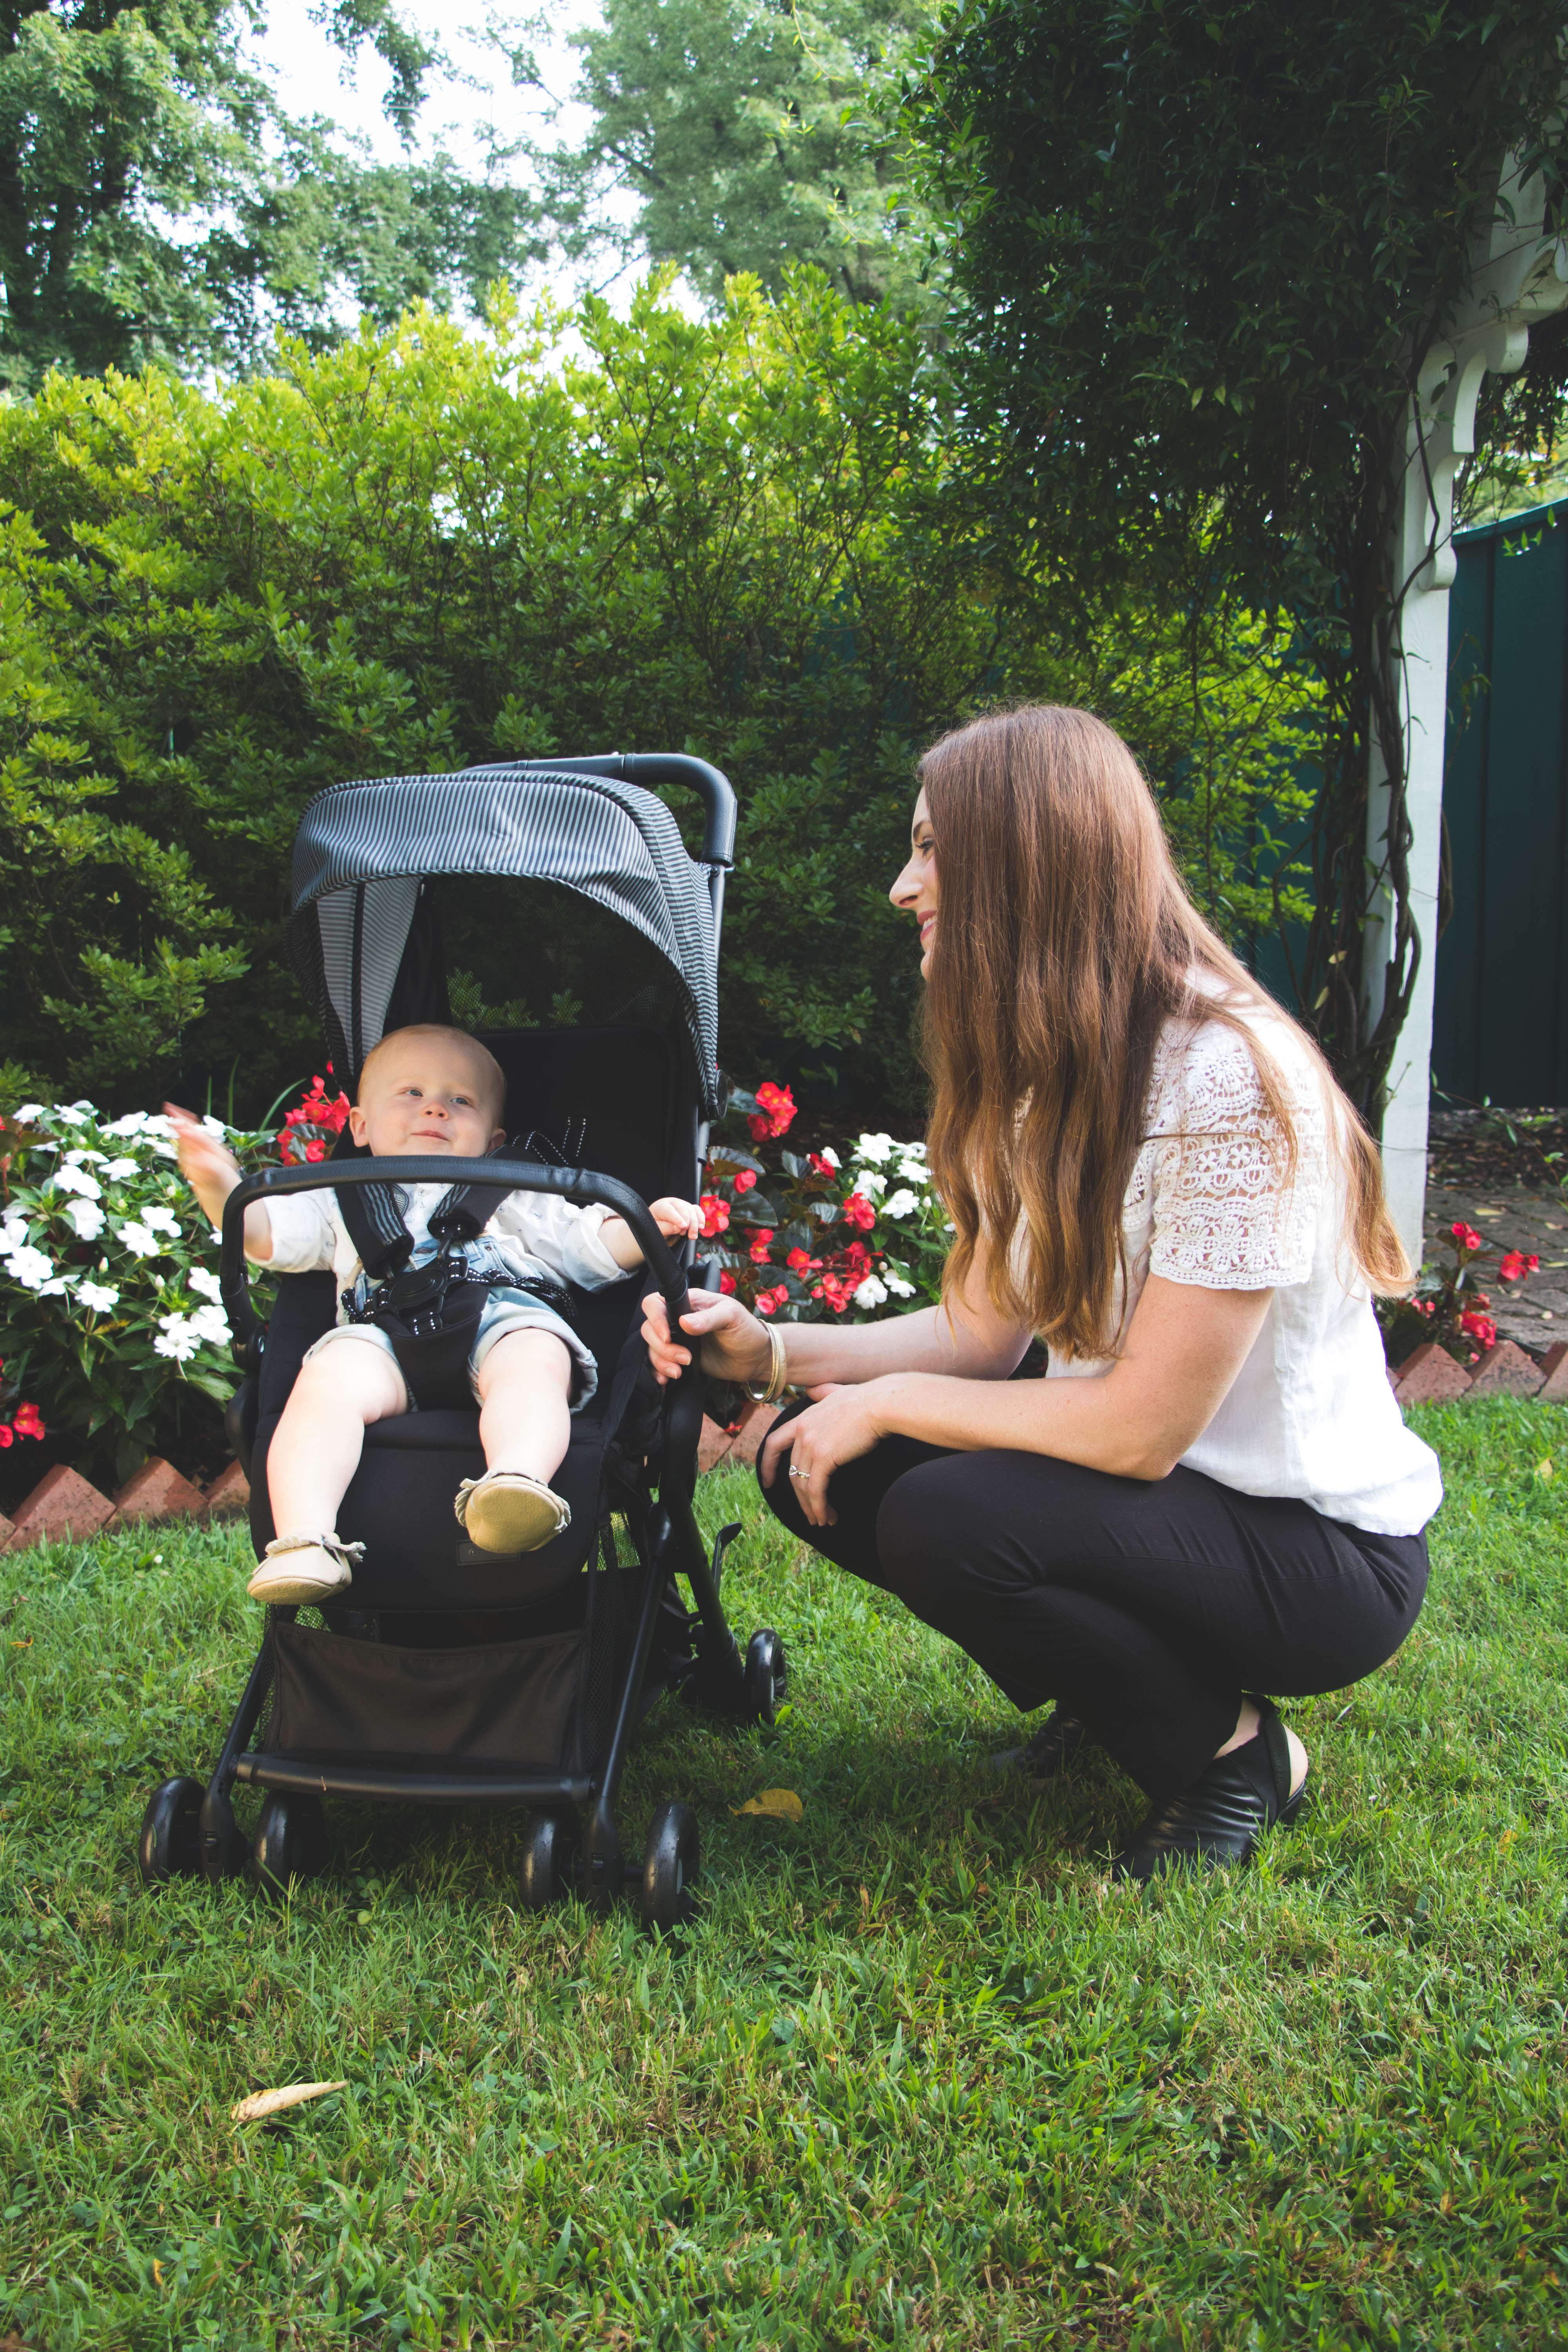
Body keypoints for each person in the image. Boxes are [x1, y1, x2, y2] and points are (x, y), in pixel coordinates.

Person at [642, 706, 1440, 1883]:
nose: (902, 888)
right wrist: (774, 1354)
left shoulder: (1229, 1080)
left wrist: (887, 1401)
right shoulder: (1057, 1062)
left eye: (930, 852)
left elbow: (1139, 1427)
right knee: (817, 1464)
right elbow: (984, 1332)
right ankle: (1128, 1690)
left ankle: (1232, 1753)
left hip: (1316, 1553)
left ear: (1026, 863)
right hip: (1163, 1504)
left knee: (940, 1511)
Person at [170, 1024, 700, 1605]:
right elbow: (266, 1235)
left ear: (494, 1137)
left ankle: (515, 1484)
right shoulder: (335, 1198)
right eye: (412, 1093)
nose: (436, 1110)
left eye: (460, 1101)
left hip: (500, 1316)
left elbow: (586, 1246)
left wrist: (643, 1226)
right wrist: (222, 1186)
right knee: (324, 1383)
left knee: (536, 1359)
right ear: (361, 1127)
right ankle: (304, 1537)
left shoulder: (516, 1191)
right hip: (381, 1335)